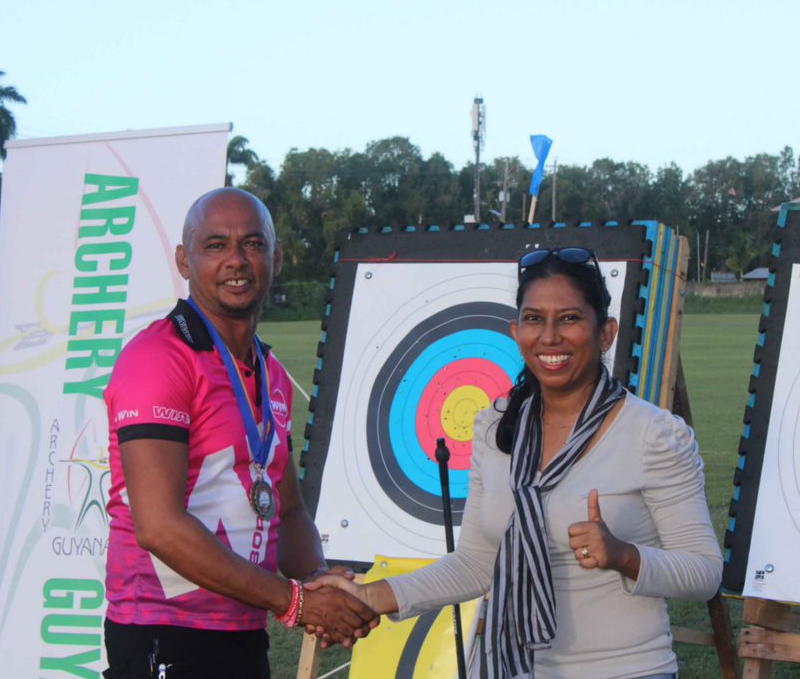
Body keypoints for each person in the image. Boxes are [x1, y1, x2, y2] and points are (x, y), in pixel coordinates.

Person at [312, 247, 722, 679]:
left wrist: (624, 556)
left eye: (569, 318)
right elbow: (475, 563)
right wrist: (369, 596)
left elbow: (704, 572)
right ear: (515, 331)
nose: (549, 337)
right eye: (533, 319)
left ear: (606, 333)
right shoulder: (496, 425)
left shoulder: (653, 433)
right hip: (513, 669)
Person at [102, 188, 377, 679]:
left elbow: (286, 508)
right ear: (185, 261)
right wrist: (295, 603)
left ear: (275, 257)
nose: (236, 260)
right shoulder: (158, 359)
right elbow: (158, 525)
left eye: (252, 244)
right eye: (215, 245)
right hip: (165, 632)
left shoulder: (267, 368)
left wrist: (315, 578)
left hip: (241, 632)